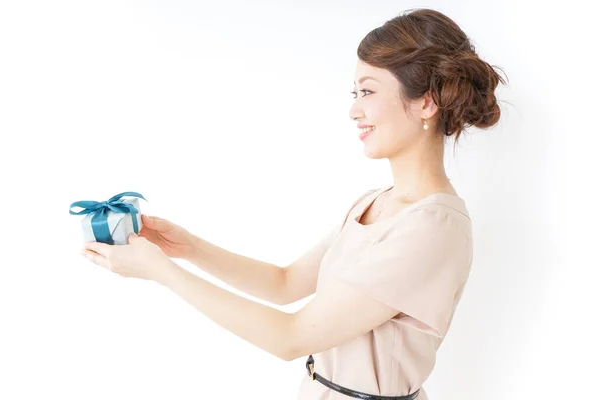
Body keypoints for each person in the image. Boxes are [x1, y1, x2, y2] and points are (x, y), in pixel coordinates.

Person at [82, 7, 506, 400]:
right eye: (354, 92)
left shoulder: (433, 225)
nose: (354, 110)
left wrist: (160, 272)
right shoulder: (373, 203)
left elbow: (291, 337)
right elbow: (284, 283)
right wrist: (187, 248)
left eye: (368, 91)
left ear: (426, 101)